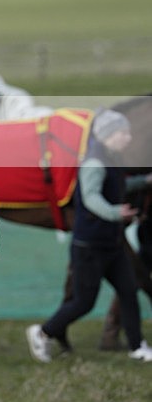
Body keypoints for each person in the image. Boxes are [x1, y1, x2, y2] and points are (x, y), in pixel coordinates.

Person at [26, 108, 152, 363]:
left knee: (129, 291)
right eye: (123, 133)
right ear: (108, 135)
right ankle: (42, 332)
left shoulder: (113, 159)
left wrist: (145, 181)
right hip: (90, 246)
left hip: (111, 244)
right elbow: (93, 198)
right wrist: (116, 212)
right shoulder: (94, 162)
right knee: (83, 303)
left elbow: (118, 186)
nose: (128, 137)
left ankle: (137, 347)